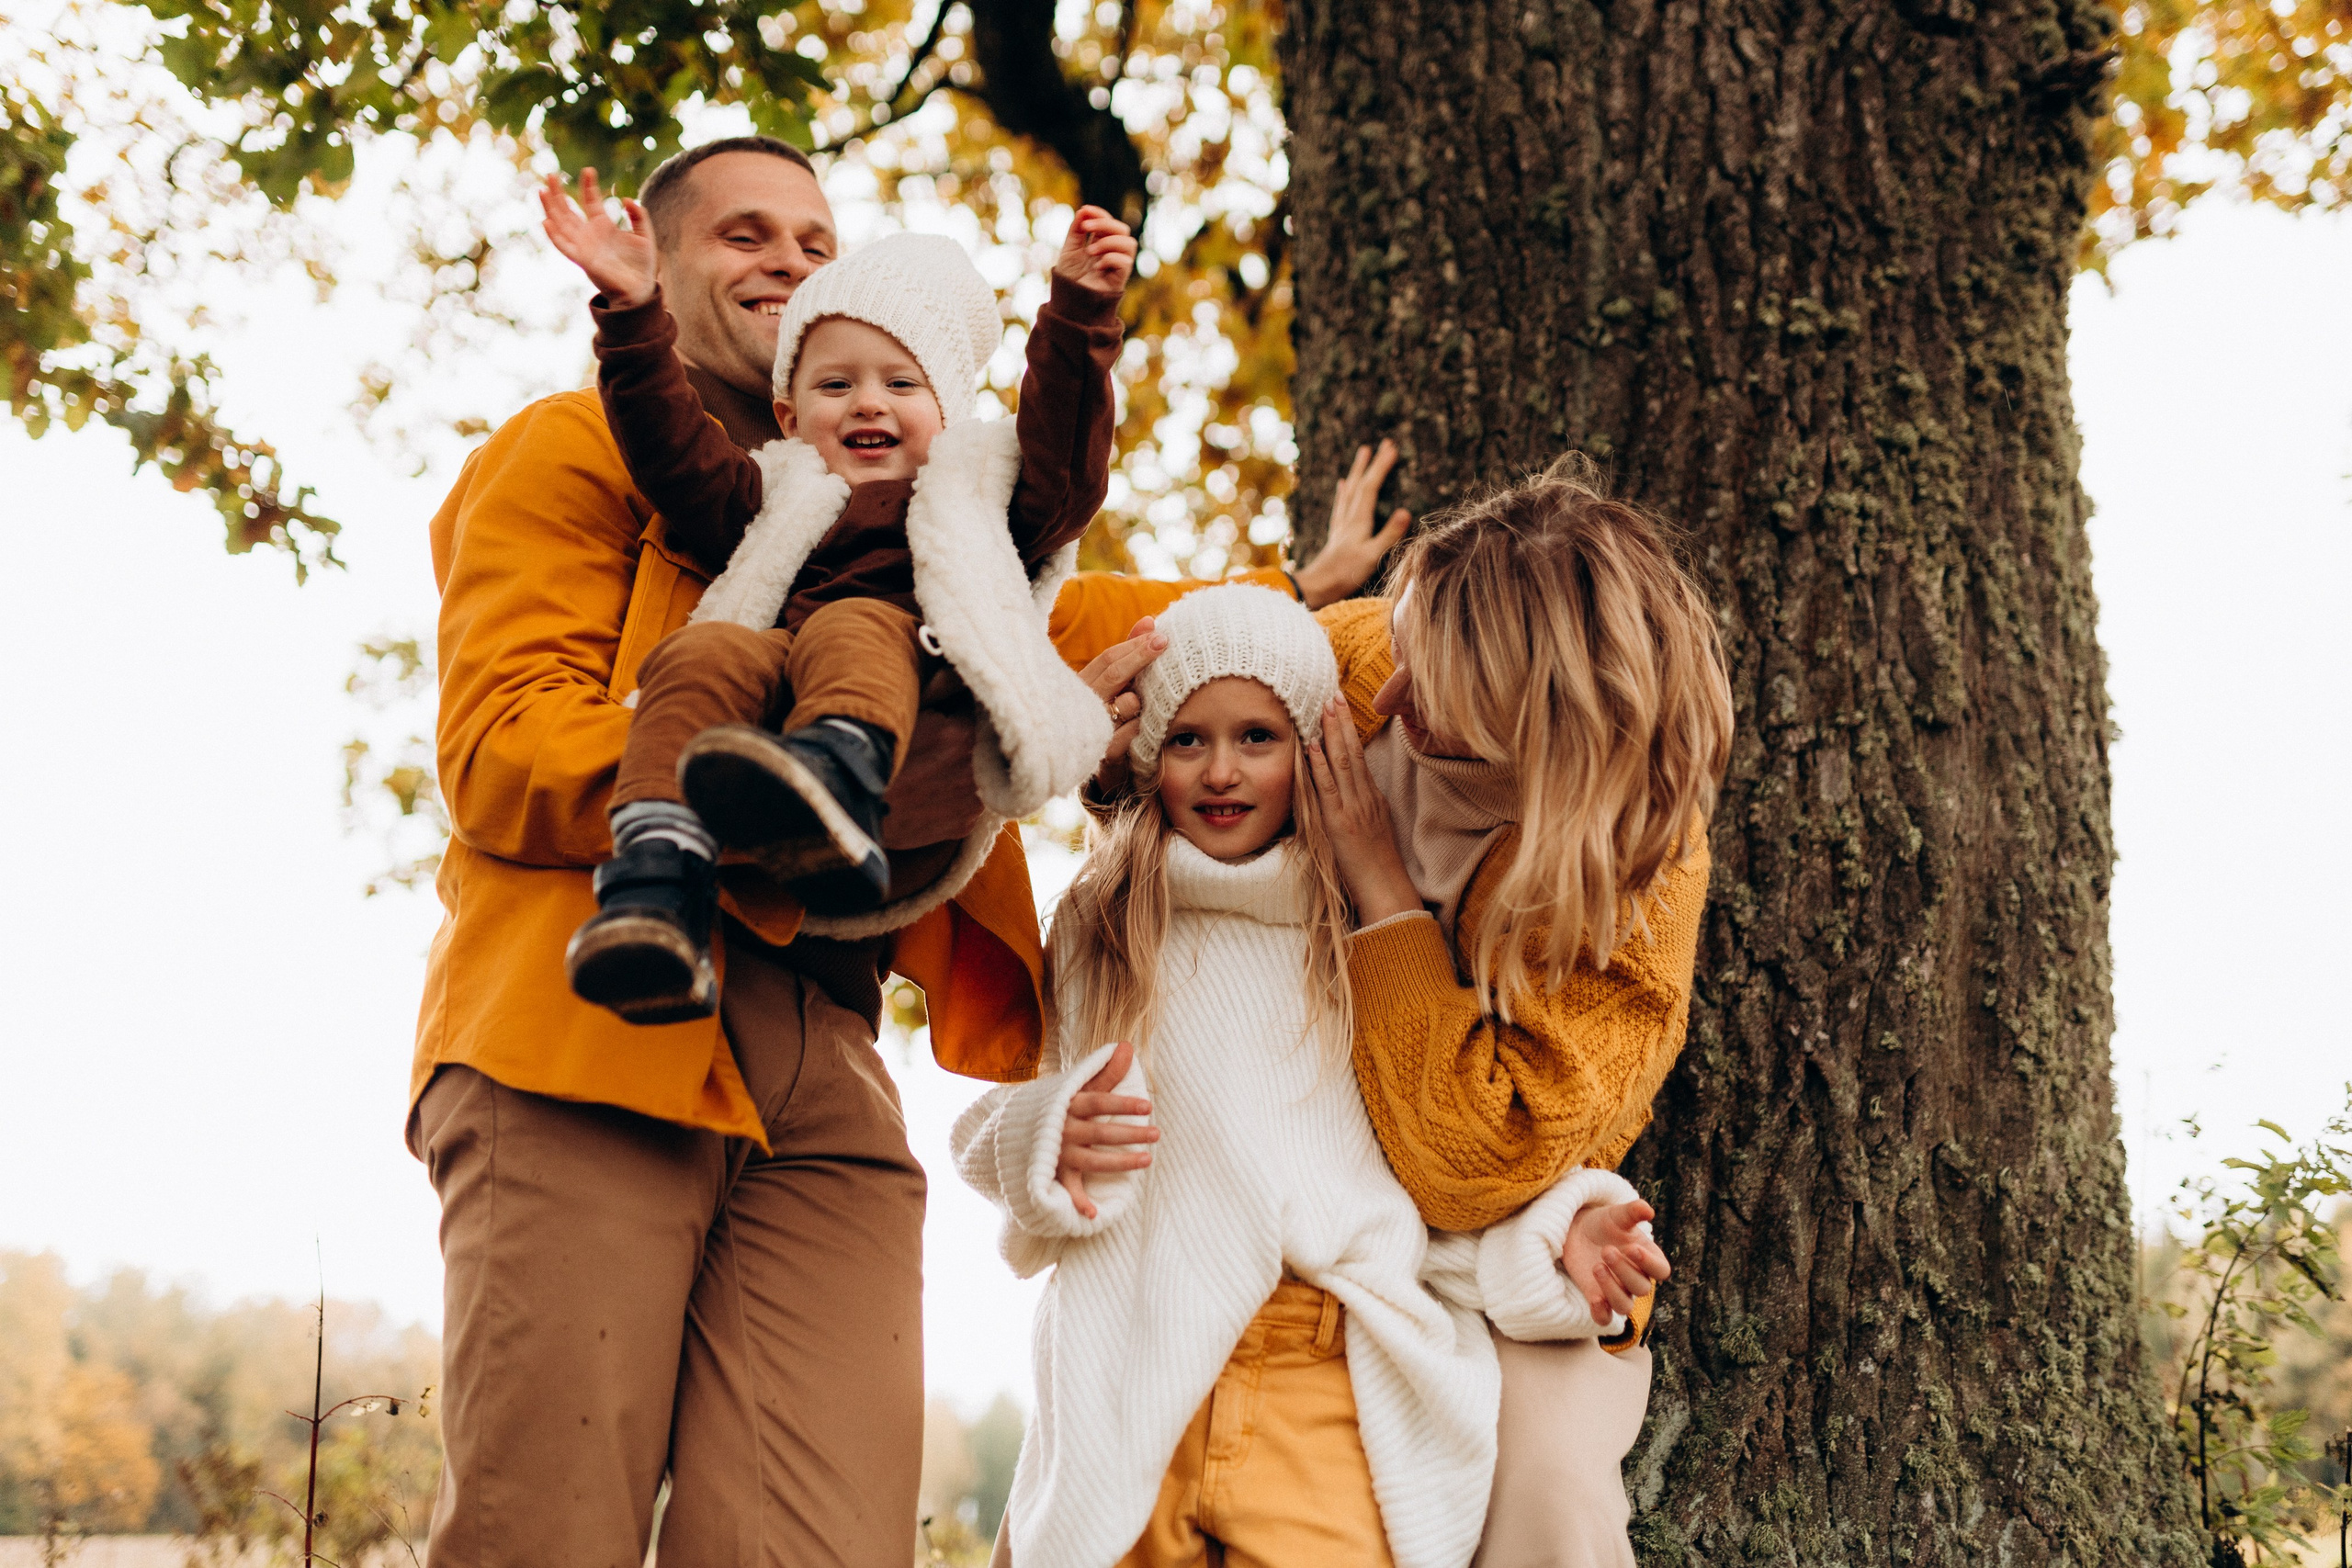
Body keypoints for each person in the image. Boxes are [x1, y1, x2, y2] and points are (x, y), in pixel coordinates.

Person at [413, 136, 1068, 1568]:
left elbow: (1108, 612)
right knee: (547, 1534)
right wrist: (772, 802)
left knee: (817, 1543)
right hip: (592, 1020)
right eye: (744, 234)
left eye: (815, 238)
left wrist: (1329, 616)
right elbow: (504, 746)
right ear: (661, 259)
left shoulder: (918, 495)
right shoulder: (574, 446)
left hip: (827, 1061)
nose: (788, 259)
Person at [1036, 453, 1734, 1566]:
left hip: (1499, 1250)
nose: (1390, 695)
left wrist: (1381, 891)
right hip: (1273, 1173)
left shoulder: (1636, 880)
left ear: (1535, 725)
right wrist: (1117, 772)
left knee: (1552, 1506)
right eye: (1403, 650)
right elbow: (1192, 709)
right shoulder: (1367, 660)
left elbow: (1475, 1166)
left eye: (1439, 693)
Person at [536, 169, 1136, 1022]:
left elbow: (1067, 459)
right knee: (699, 652)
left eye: (900, 384)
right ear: (786, 417)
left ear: (948, 410)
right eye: (835, 385)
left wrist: (1077, 315)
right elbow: (673, 452)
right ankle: (655, 873)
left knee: (855, 623)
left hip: (915, 723)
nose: (867, 404)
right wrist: (634, 315)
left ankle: (835, 780)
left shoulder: (984, 488)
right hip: (783, 709)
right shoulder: (777, 490)